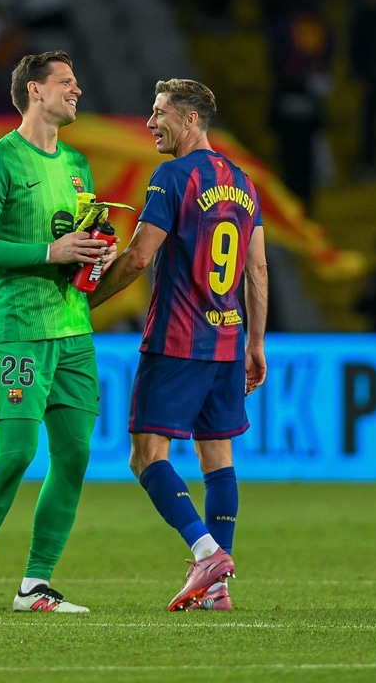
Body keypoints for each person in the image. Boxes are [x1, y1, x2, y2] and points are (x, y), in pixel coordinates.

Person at [0, 51, 115, 615]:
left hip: (72, 330)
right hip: (18, 328)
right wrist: (49, 251)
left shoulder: (79, 164)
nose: (76, 89)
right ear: (35, 91)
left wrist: (92, 255)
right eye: (66, 81)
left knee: (76, 454)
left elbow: (74, 242)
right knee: (15, 453)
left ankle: (35, 585)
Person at [87, 78, 268, 612]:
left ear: (190, 121)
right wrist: (256, 341)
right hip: (230, 340)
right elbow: (256, 267)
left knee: (146, 456)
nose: (150, 123)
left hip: (178, 338)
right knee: (218, 458)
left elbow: (141, 257)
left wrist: (85, 302)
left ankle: (206, 552)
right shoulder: (243, 181)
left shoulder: (172, 177)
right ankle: (218, 590)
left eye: (159, 112)